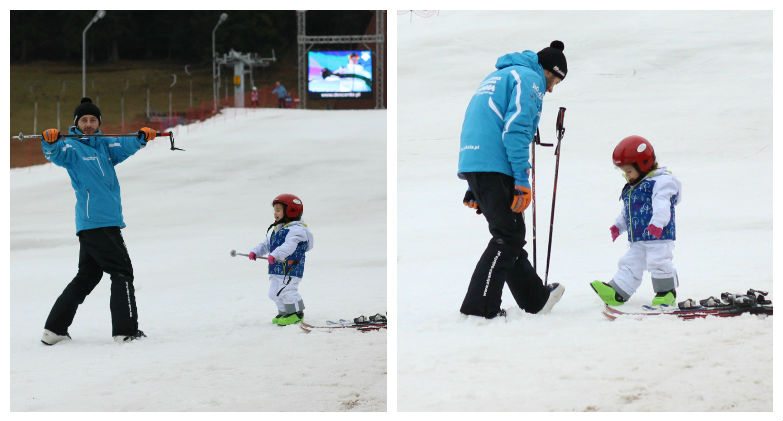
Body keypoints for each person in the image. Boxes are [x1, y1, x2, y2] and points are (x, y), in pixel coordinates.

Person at [457, 41, 569, 319]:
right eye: (554, 79)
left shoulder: (498, 76)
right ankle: (479, 310)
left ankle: (535, 300)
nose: (551, 88)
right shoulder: (530, 79)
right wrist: (522, 179)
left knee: (509, 232)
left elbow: (482, 123)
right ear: (547, 70)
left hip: (477, 163)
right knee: (508, 236)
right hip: (496, 166)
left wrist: (474, 184)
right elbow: (515, 130)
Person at [39, 97, 158, 345]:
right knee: (122, 271)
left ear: (99, 122)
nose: (89, 124)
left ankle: (54, 329)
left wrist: (141, 138)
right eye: (84, 120)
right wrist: (49, 141)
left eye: (93, 120)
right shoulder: (71, 148)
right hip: (98, 223)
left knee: (87, 276)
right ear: (76, 123)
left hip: (98, 223)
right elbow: (55, 153)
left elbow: (124, 145)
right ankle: (126, 330)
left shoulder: (104, 146)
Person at [590, 136, 682, 307]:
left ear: (644, 164)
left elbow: (662, 205)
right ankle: (617, 292)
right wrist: (618, 226)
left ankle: (666, 293)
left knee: (658, 262)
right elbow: (628, 212)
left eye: (629, 171)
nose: (626, 176)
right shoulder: (635, 187)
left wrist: (657, 223)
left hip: (658, 236)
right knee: (630, 262)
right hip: (639, 238)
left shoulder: (661, 183)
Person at [248, 193, 314, 326]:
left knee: (287, 291)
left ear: (291, 211)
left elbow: (288, 246)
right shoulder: (278, 229)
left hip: (291, 267)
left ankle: (296, 312)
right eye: (274, 210)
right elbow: (267, 244)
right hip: (276, 268)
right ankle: (284, 312)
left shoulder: (297, 231)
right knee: (273, 293)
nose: (275, 213)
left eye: (278, 210)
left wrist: (276, 255)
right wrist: (256, 251)